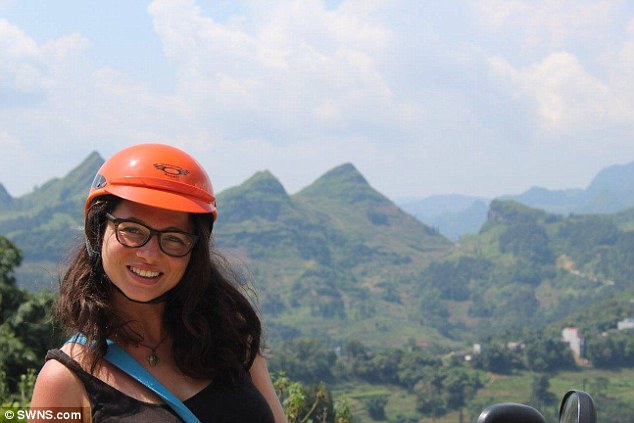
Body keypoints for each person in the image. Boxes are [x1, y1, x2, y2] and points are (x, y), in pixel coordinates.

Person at [30, 143, 287, 422]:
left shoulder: (229, 332)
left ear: (194, 251)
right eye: (132, 230)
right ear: (97, 230)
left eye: (174, 238)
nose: (150, 254)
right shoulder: (64, 380)